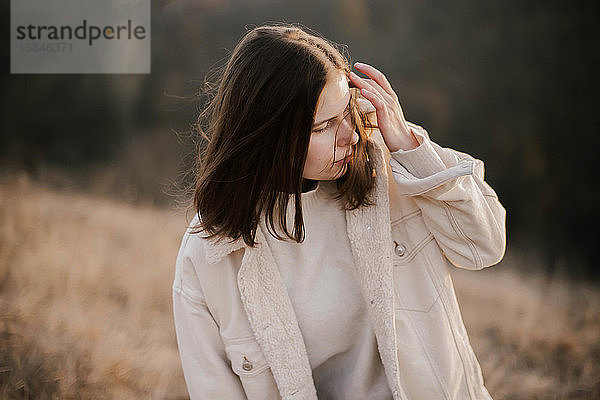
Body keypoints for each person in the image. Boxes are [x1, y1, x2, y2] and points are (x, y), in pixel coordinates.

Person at [172, 23, 506, 400]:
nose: (351, 133)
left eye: (347, 110)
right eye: (324, 126)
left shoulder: (394, 168)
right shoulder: (210, 253)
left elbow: (485, 246)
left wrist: (412, 149)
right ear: (270, 137)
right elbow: (214, 388)